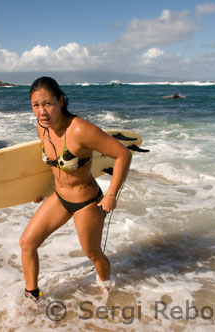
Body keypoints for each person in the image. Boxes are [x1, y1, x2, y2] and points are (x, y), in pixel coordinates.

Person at [19, 77, 132, 303]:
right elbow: (53, 165)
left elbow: (123, 154)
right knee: (27, 243)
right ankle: (33, 296)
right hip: (59, 197)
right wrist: (39, 189)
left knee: (92, 253)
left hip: (86, 202)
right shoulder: (42, 128)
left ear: (61, 101)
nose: (42, 111)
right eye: (36, 105)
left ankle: (107, 290)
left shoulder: (81, 129)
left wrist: (111, 195)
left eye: (48, 104)